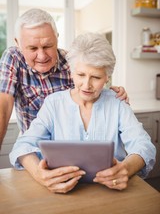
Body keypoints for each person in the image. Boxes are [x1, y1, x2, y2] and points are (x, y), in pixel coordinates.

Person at [9, 32, 156, 194]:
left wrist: (126, 169)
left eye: (96, 77)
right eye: (80, 75)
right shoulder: (53, 103)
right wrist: (39, 174)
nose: (87, 85)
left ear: (107, 77)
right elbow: (22, 146)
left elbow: (144, 146)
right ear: (71, 72)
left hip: (112, 192)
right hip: (63, 194)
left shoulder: (117, 103)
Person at [0, 8, 128, 149]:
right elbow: (3, 105)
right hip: (33, 148)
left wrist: (110, 95)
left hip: (68, 150)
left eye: (48, 46)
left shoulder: (71, 63)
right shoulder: (13, 58)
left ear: (57, 37)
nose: (42, 56)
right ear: (18, 43)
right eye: (33, 48)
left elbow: (91, 92)